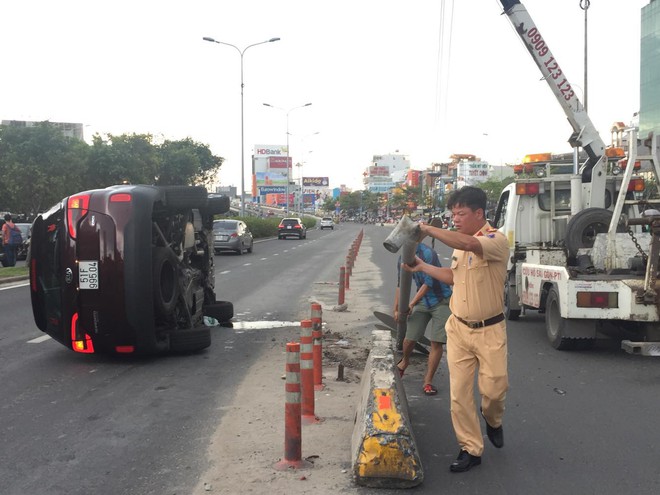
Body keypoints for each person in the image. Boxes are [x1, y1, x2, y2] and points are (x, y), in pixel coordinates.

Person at [402, 186, 509, 473]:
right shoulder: (460, 247)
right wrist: (423, 266)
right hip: (458, 328)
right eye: (453, 214)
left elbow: (470, 245)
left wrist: (427, 229)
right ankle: (470, 448)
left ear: (479, 213)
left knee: (494, 389)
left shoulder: (495, 240)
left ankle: (493, 420)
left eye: (461, 214)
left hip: (490, 330)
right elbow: (453, 277)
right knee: (459, 394)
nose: (456, 219)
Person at [393, 242, 452, 396]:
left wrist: (411, 304)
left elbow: (428, 283)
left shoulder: (427, 254)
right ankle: (405, 361)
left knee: (436, 342)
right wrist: (397, 308)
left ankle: (428, 381)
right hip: (423, 301)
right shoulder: (402, 259)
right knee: (409, 339)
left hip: (441, 300)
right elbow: (400, 285)